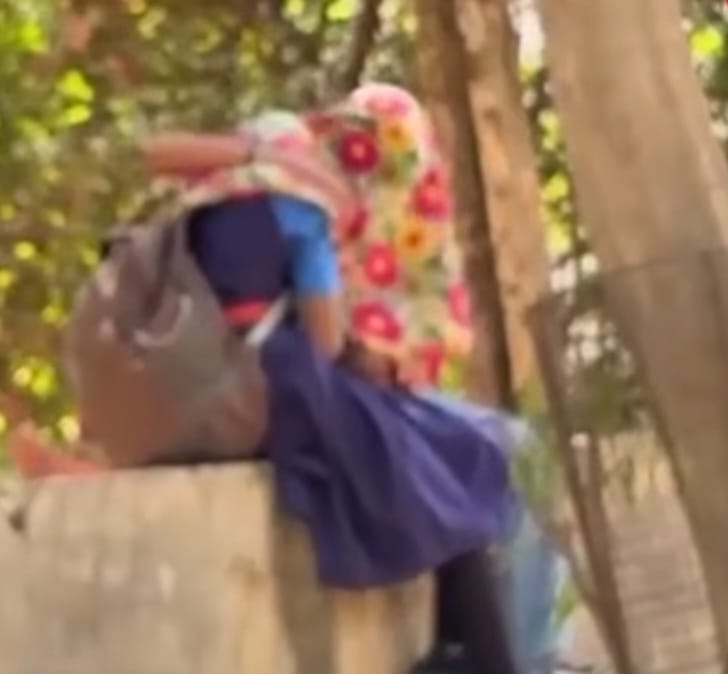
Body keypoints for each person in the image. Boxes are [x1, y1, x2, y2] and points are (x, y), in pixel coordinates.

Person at [10, 113, 521, 674]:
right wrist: (371, 360)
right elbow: (326, 343)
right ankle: (484, 658)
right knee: (454, 457)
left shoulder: (199, 206)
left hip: (172, 401)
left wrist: (250, 153)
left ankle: (92, 467)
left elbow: (147, 151)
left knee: (422, 455)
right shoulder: (304, 210)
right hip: (259, 397)